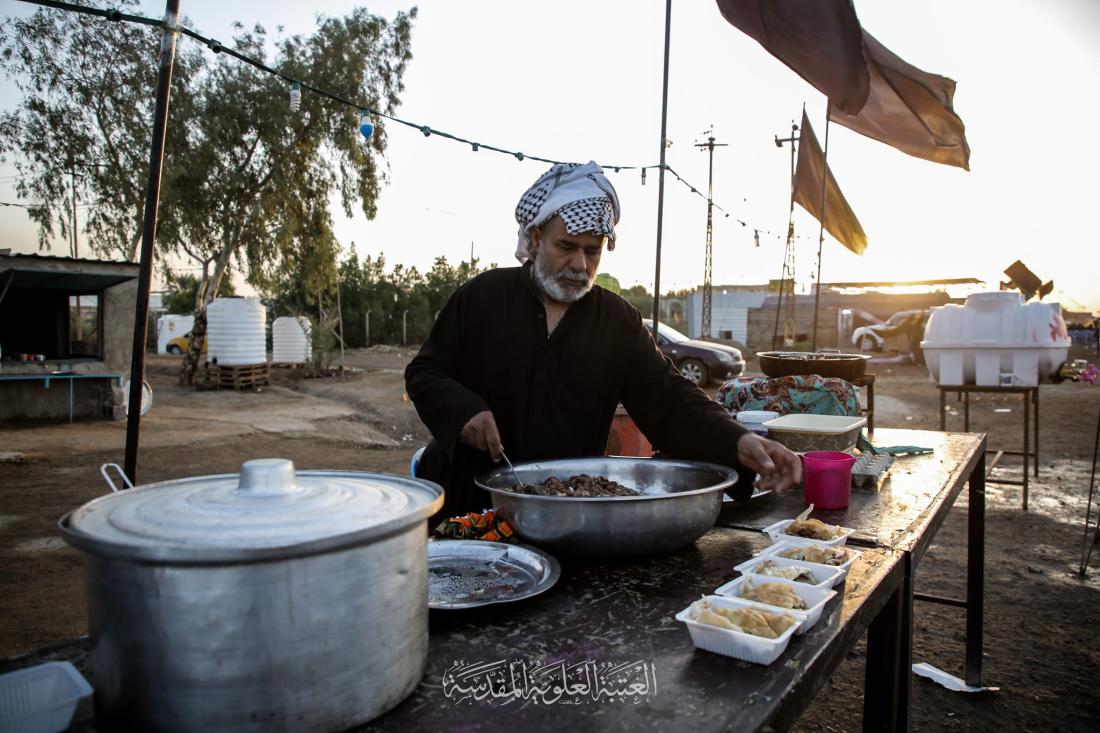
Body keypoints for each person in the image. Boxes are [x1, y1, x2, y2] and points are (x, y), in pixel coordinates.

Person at [405, 161, 802, 521]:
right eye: (567, 247)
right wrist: (464, 412)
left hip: (566, 515)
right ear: (536, 237)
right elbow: (425, 372)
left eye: (592, 251)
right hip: (468, 506)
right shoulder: (482, 297)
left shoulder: (616, 320)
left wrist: (739, 440)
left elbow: (669, 399)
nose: (580, 265)